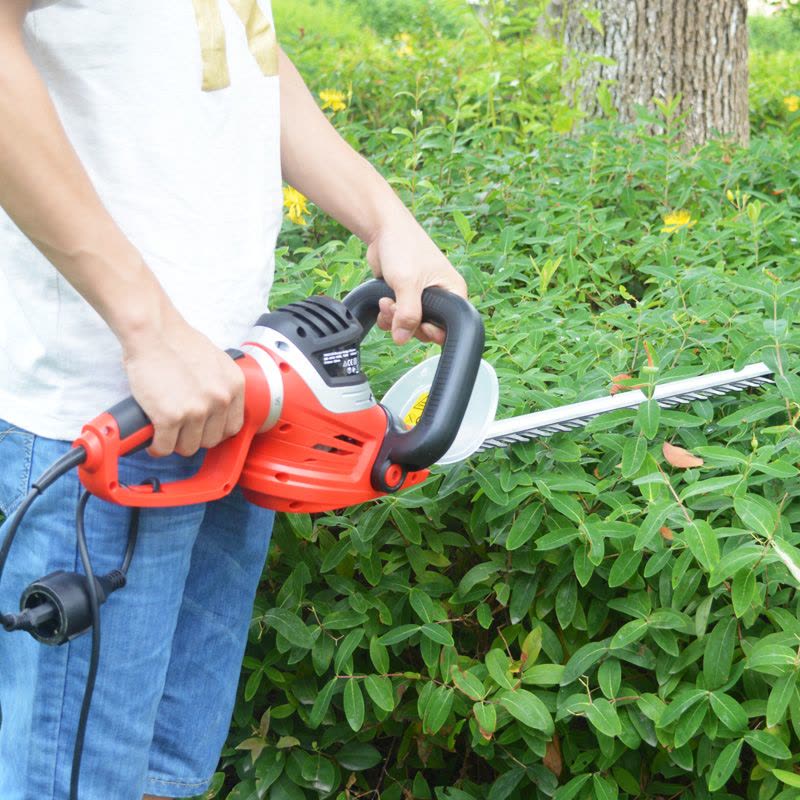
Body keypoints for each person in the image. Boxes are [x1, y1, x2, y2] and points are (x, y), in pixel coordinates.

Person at [0, 2, 467, 798]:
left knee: (164, 778)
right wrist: (145, 324)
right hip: (107, 422)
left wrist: (382, 214)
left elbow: (238, 52)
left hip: (231, 394)